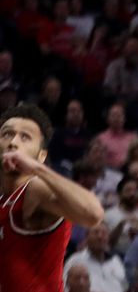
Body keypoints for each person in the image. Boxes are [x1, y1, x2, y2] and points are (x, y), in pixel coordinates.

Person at [0, 102, 107, 292]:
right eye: (7, 134)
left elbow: (93, 214)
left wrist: (36, 169)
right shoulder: (4, 198)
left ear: (41, 155)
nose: (13, 142)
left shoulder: (35, 189)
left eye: (25, 137)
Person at [65, 222, 129, 292]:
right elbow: (64, 287)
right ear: (87, 237)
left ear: (108, 238)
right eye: (96, 232)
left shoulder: (115, 261)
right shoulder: (75, 260)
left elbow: (125, 287)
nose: (100, 237)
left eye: (104, 233)